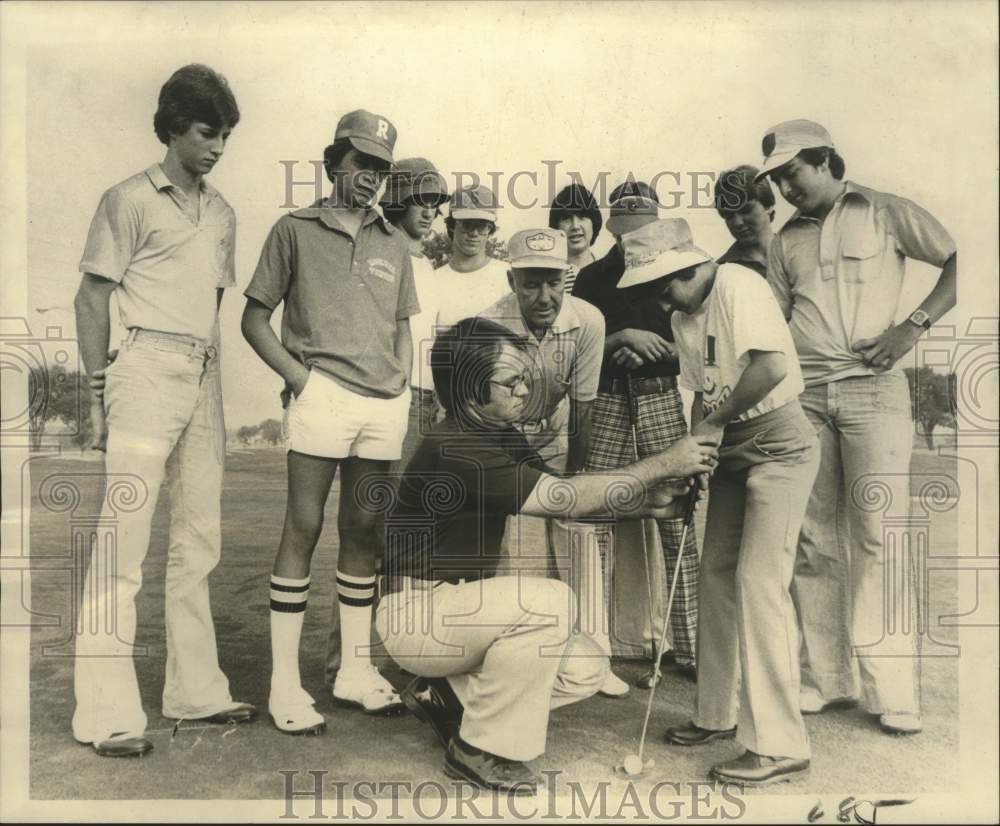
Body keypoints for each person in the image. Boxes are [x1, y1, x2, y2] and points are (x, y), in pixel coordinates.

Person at [376, 316, 720, 794]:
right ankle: (478, 750)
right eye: (511, 381)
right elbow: (567, 498)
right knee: (549, 602)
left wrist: (651, 503)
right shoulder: (456, 445)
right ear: (472, 390)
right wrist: (666, 462)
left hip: (457, 614)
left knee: (586, 668)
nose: (525, 391)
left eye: (525, 377)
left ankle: (447, 698)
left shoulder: (500, 433)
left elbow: (563, 505)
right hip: (416, 618)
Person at [72, 64, 254, 757]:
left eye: (227, 136)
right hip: (142, 369)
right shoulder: (127, 199)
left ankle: (195, 692)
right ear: (175, 125)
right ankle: (106, 717)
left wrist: (209, 382)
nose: (217, 146)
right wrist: (97, 395)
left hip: (202, 375)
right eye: (208, 132)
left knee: (199, 541)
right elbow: (92, 299)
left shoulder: (225, 212)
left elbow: (210, 309)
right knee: (123, 547)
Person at [759, 119, 957, 735]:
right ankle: (826, 679)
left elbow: (962, 259)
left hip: (875, 390)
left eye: (793, 173)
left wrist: (913, 326)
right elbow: (776, 320)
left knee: (879, 535)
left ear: (824, 161)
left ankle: (893, 689)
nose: (786, 188)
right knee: (813, 539)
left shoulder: (885, 212)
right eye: (778, 179)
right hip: (806, 395)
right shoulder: (783, 240)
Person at [617, 218, 819, 786]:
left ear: (690, 267)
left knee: (760, 583)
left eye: (664, 287)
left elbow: (771, 367)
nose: (660, 303)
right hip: (727, 448)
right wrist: (694, 458)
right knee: (715, 575)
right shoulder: (684, 316)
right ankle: (716, 715)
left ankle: (781, 745)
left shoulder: (738, 283)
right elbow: (701, 393)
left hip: (780, 444)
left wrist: (711, 426)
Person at [242, 109, 416, 732]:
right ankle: (284, 686)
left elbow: (401, 325)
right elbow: (254, 320)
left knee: (363, 532)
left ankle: (354, 671)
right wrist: (300, 379)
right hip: (322, 397)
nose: (370, 177)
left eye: (380, 168)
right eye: (361, 163)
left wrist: (400, 384)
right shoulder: (294, 228)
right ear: (334, 162)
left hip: (382, 405)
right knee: (304, 526)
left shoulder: (395, 241)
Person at [320, 157, 450, 690]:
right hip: (377, 402)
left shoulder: (429, 266)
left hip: (425, 408)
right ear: (396, 197)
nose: (432, 213)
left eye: (437, 204)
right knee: (366, 527)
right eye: (422, 199)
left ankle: (401, 656)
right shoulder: (368, 249)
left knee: (411, 535)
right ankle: (345, 657)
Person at [479, 228, 624, 696]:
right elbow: (488, 415)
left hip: (563, 436)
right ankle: (526, 666)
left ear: (568, 277)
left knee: (580, 539)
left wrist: (574, 481)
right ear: (511, 280)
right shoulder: (487, 324)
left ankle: (596, 661)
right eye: (530, 283)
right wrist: (521, 478)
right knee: (523, 558)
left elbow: (585, 407)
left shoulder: (590, 320)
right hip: (508, 442)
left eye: (553, 282)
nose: (544, 296)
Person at [572, 181, 700, 685]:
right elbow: (578, 351)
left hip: (660, 397)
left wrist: (654, 350)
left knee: (678, 516)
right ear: (611, 228)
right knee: (594, 519)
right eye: (624, 229)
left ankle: (690, 648)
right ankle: (592, 649)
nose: (632, 238)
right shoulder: (590, 278)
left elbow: (694, 349)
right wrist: (619, 341)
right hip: (605, 399)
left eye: (642, 227)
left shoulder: (680, 273)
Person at [713, 164, 775, 277]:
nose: (737, 223)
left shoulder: (801, 249)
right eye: (728, 215)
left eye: (746, 210)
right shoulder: (722, 272)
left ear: (768, 205)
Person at [548, 183, 602, 293]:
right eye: (566, 218)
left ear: (594, 223)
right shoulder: (549, 279)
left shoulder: (609, 274)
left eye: (582, 217)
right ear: (556, 227)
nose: (575, 226)